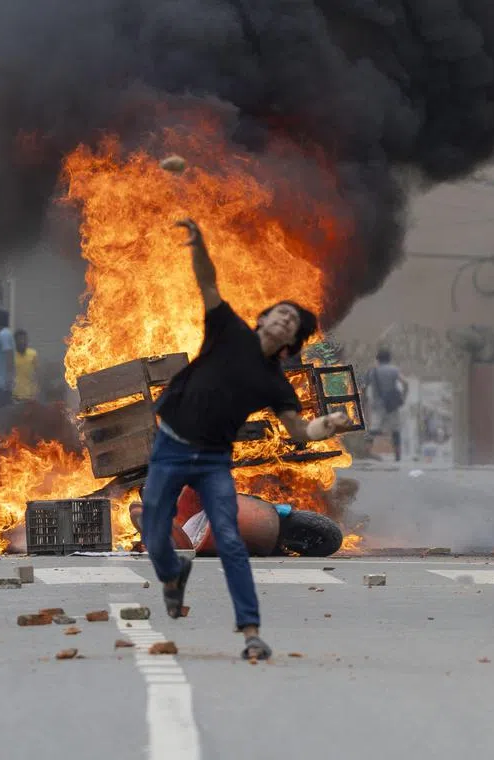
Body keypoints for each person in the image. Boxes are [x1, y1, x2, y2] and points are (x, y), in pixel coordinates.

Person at [141, 219, 350, 662]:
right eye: (280, 311)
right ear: (263, 318)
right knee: (156, 531)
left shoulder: (275, 383)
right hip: (171, 445)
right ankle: (172, 576)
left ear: (291, 342)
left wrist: (325, 427)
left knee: (233, 542)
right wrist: (198, 245)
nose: (284, 318)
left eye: (292, 321)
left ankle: (251, 630)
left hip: (214, 459)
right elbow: (207, 282)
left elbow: (299, 432)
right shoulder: (228, 330)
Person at [362, 349, 409, 462]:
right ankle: (397, 455)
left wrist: (364, 400)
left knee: (373, 429)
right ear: (389, 359)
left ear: (377, 359)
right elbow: (405, 383)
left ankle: (367, 451)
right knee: (395, 429)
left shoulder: (372, 371)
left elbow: (364, 386)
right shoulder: (394, 370)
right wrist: (403, 397)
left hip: (377, 405)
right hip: (392, 405)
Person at [12, 328, 39, 402]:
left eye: (24, 339)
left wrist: (36, 392)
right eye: (20, 340)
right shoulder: (12, 356)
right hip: (16, 396)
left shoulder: (33, 354)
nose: (22, 342)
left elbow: (37, 374)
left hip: (30, 396)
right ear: (15, 342)